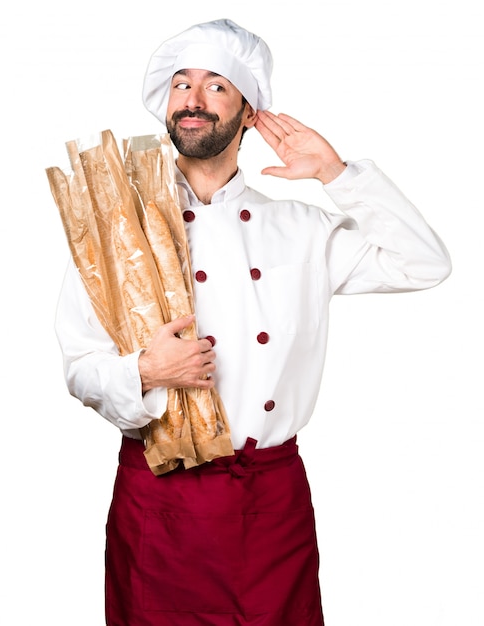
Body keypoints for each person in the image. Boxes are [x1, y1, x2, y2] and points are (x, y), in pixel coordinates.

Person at [54, 18, 452, 626]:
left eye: (217, 86)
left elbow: (424, 264)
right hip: (160, 499)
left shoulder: (302, 229)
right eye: (181, 84)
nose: (193, 98)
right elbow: (80, 370)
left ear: (249, 113)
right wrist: (143, 371)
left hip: (271, 502)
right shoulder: (120, 232)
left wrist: (336, 175)